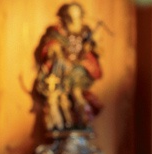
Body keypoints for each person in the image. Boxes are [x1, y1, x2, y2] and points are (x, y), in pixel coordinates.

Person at [33, 2, 103, 132]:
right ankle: (61, 121)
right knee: (58, 96)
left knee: (77, 93)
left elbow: (96, 50)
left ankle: (82, 117)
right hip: (61, 72)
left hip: (78, 69)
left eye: (77, 18)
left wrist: (93, 46)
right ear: (64, 18)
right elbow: (51, 45)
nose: (74, 22)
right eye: (70, 18)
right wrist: (55, 51)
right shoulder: (57, 32)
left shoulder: (85, 32)